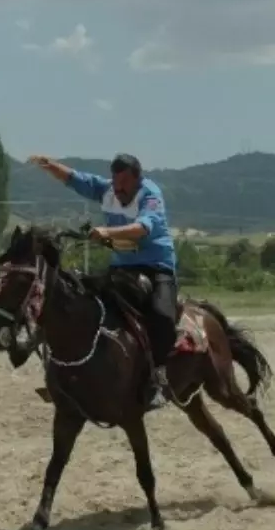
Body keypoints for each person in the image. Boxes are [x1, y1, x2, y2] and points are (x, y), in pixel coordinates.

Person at [28, 152, 178, 411]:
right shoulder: (109, 189)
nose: (117, 189)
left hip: (156, 267)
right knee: (78, 301)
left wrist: (107, 232)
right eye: (115, 182)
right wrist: (50, 165)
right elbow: (78, 180)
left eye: (123, 184)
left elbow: (143, 227)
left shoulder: (150, 194)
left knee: (162, 316)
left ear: (136, 179)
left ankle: (159, 377)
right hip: (122, 268)